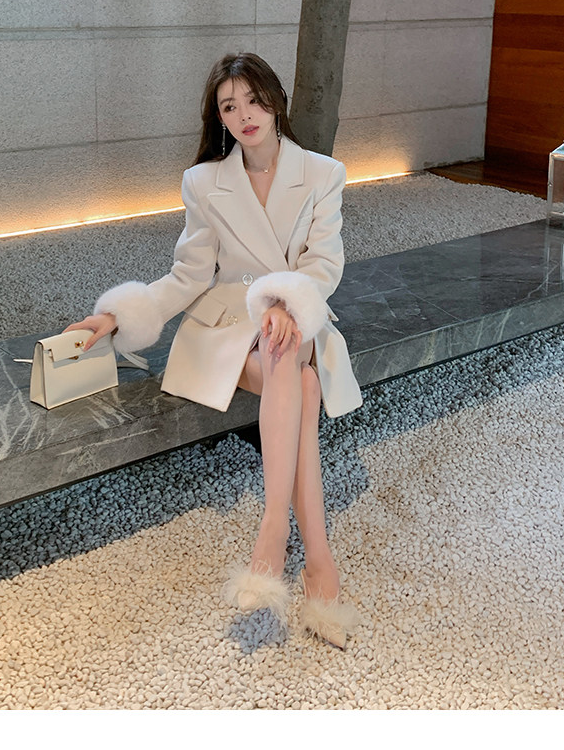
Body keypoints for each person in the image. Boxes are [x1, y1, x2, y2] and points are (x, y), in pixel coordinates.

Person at [65, 52, 362, 648]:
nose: (244, 115)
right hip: (228, 323)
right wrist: (119, 314)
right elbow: (189, 275)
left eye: (253, 100)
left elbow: (324, 264)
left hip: (294, 320)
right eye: (230, 106)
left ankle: (275, 535)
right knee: (300, 380)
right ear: (219, 118)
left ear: (275, 101)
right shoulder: (204, 182)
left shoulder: (323, 173)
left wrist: (286, 303)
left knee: (289, 355)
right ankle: (313, 558)